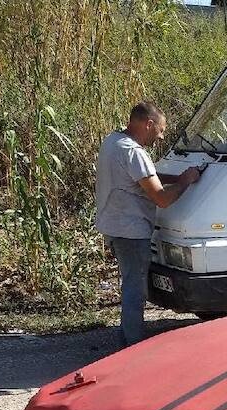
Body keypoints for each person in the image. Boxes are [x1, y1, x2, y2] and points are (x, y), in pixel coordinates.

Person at [94, 101, 200, 347]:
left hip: (115, 226)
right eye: (160, 129)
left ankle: (126, 339)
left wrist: (178, 177)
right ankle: (132, 347)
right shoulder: (133, 152)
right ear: (148, 124)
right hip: (131, 230)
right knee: (135, 290)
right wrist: (184, 183)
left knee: (131, 284)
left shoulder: (113, 141)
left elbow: (144, 176)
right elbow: (162, 199)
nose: (161, 136)